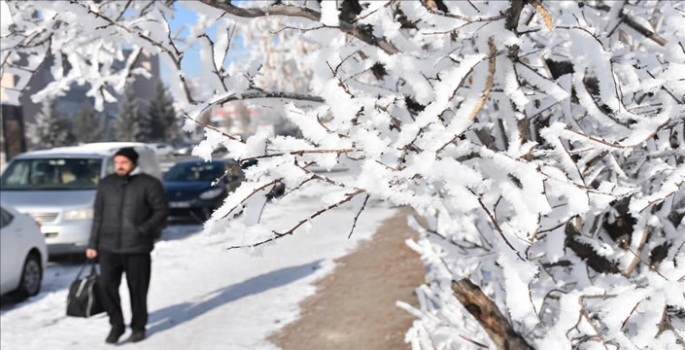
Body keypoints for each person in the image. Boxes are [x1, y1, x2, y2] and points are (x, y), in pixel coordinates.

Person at [86, 147, 169, 344]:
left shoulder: (149, 184)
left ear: (133, 163)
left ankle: (138, 326)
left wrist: (143, 229)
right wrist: (92, 244)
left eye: (123, 162)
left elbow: (162, 211)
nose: (119, 166)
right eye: (116, 163)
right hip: (108, 247)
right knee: (107, 287)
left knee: (138, 291)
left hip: (137, 248)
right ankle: (117, 325)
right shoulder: (106, 184)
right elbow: (98, 216)